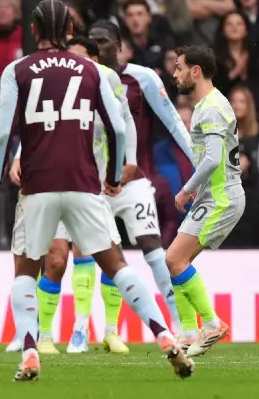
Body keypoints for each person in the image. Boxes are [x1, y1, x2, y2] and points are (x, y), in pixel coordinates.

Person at [0, 0, 193, 381]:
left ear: (34, 30)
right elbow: (119, 127)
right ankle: (165, 336)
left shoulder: (17, 70)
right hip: (84, 184)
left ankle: (29, 349)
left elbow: (0, 137)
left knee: (26, 272)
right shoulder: (91, 69)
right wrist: (110, 174)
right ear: (72, 30)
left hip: (37, 186)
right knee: (118, 266)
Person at [63, 19, 192, 352]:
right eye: (92, 41)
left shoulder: (142, 77)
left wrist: (199, 166)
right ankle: (83, 329)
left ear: (119, 44)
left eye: (104, 40)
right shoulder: (76, 79)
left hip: (133, 180)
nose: (97, 47)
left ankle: (177, 324)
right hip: (91, 184)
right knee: (92, 251)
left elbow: (173, 122)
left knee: (153, 248)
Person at [6, 36, 139, 355]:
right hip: (53, 182)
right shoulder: (58, 87)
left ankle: (99, 330)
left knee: (105, 257)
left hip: (92, 185)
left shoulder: (104, 83)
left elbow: (124, 123)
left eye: (79, 58)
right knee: (54, 259)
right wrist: (19, 156)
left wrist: (128, 162)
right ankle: (44, 335)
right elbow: (40, 124)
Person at [168, 45, 244, 357]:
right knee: (174, 261)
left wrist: (186, 189)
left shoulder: (212, 107)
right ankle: (188, 332)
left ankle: (212, 324)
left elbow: (213, 158)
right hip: (212, 196)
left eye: (179, 68)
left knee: (174, 259)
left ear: (195, 71)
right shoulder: (206, 104)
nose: (175, 74)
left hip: (222, 198)